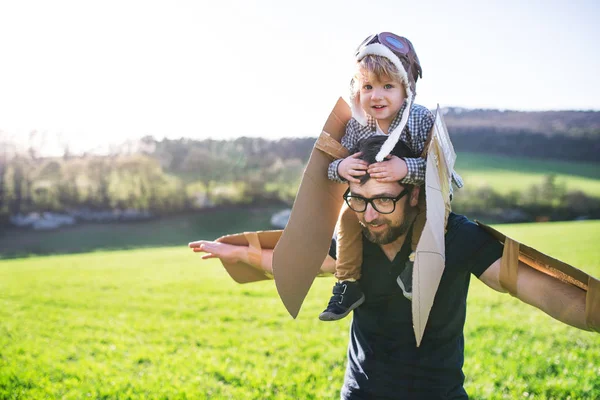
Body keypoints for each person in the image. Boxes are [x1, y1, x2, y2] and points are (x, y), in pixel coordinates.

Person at [189, 136, 595, 399]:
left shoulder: (455, 236)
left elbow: (539, 290)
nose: (370, 214)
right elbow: (297, 264)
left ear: (415, 195)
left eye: (384, 199)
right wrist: (240, 253)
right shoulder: (355, 239)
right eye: (359, 200)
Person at [321, 32, 463, 321]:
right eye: (368, 86)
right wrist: (342, 168)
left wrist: (406, 169)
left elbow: (443, 174)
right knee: (348, 216)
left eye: (388, 86)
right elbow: (331, 168)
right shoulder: (358, 125)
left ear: (405, 89)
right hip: (377, 199)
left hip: (421, 194)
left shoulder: (419, 118)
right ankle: (347, 282)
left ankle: (416, 266)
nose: (376, 95)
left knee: (430, 210)